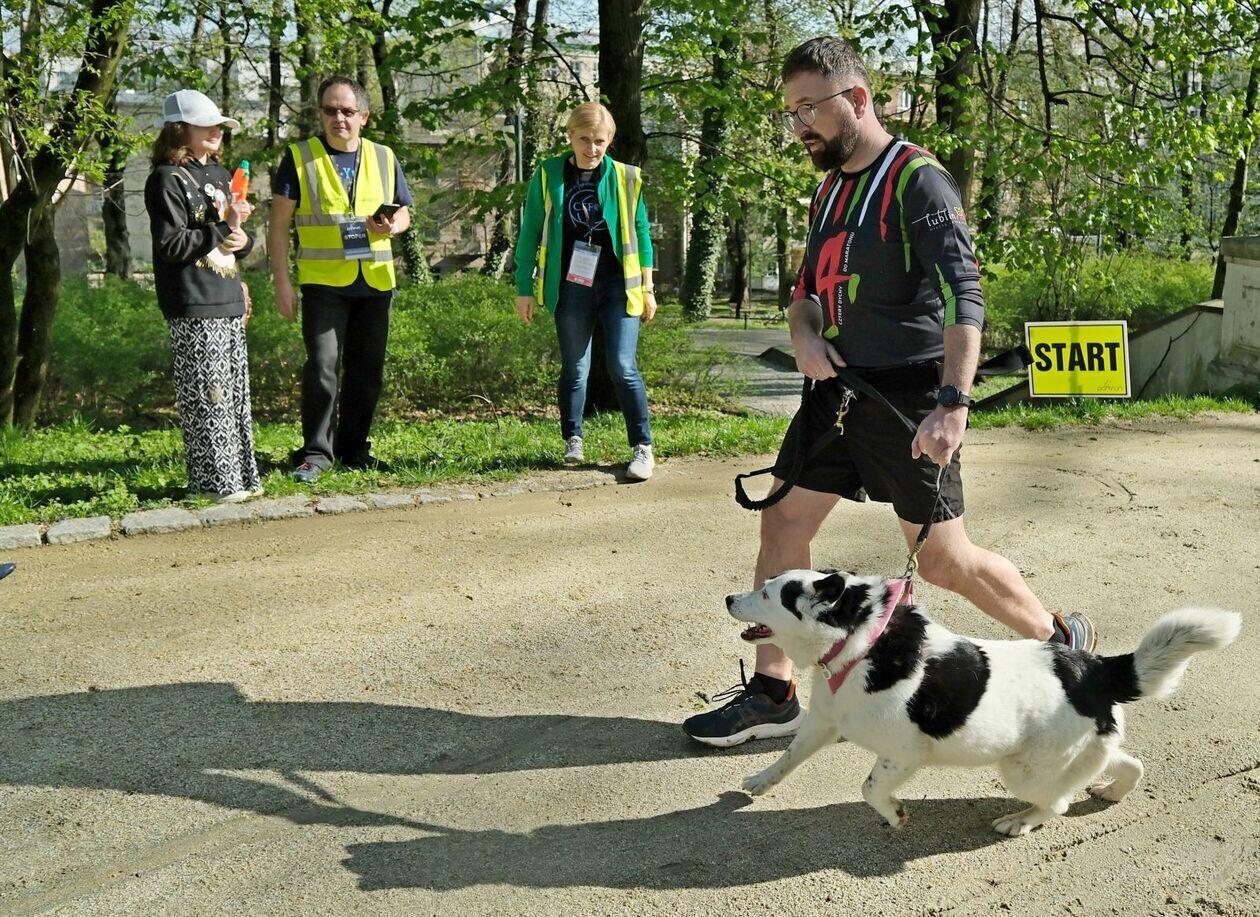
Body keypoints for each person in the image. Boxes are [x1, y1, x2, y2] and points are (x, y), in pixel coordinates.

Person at [683, 36, 1098, 748]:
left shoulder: (918, 181)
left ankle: (1061, 643)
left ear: (857, 98)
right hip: (835, 394)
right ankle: (774, 692)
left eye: (809, 108)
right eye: (790, 113)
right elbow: (805, 293)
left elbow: (965, 296)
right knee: (782, 524)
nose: (799, 126)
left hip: (908, 401)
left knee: (942, 561)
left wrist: (953, 404)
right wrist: (805, 336)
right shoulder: (827, 190)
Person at [270, 76, 413, 483]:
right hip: (323, 282)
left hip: (375, 280)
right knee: (322, 367)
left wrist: (394, 226)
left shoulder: (384, 156)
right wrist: (281, 282)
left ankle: (354, 449)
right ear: (320, 114)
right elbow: (278, 226)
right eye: (330, 110)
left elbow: (405, 211)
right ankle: (316, 453)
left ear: (363, 116)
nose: (339, 118)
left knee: (367, 371)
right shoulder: (299, 157)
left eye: (348, 111)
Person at [512, 102, 658, 481]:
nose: (591, 149)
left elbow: (642, 233)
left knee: (623, 367)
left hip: (618, 286)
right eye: (584, 140)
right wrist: (524, 287)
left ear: (609, 141)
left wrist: (648, 288)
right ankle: (573, 438)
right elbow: (530, 232)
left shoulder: (627, 177)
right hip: (572, 285)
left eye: (599, 142)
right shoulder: (548, 174)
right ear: (570, 137)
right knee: (576, 367)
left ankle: (642, 447)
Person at [145, 89, 261, 504]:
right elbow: (171, 245)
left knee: (235, 394)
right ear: (180, 129)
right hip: (193, 299)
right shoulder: (166, 179)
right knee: (208, 395)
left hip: (226, 294)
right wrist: (224, 227)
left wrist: (243, 240)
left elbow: (233, 237)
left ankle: (241, 478)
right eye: (206, 124)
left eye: (219, 125)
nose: (216, 131)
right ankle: (215, 484)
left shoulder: (221, 173)